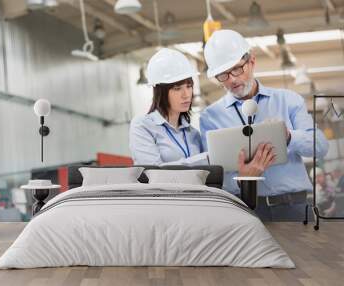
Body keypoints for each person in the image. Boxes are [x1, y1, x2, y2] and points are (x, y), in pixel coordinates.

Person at [200, 29, 329, 221]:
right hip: (246, 211)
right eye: (223, 75)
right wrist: (243, 178)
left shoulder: (289, 100)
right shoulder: (210, 117)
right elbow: (212, 175)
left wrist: (289, 136)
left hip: (294, 207)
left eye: (236, 69)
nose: (232, 79)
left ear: (251, 61)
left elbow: (320, 146)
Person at [129, 48, 275, 175]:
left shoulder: (192, 134)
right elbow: (153, 173)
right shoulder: (143, 126)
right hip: (164, 204)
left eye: (188, 86)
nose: (186, 94)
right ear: (160, 92)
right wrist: (206, 158)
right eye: (177, 88)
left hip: (195, 202)